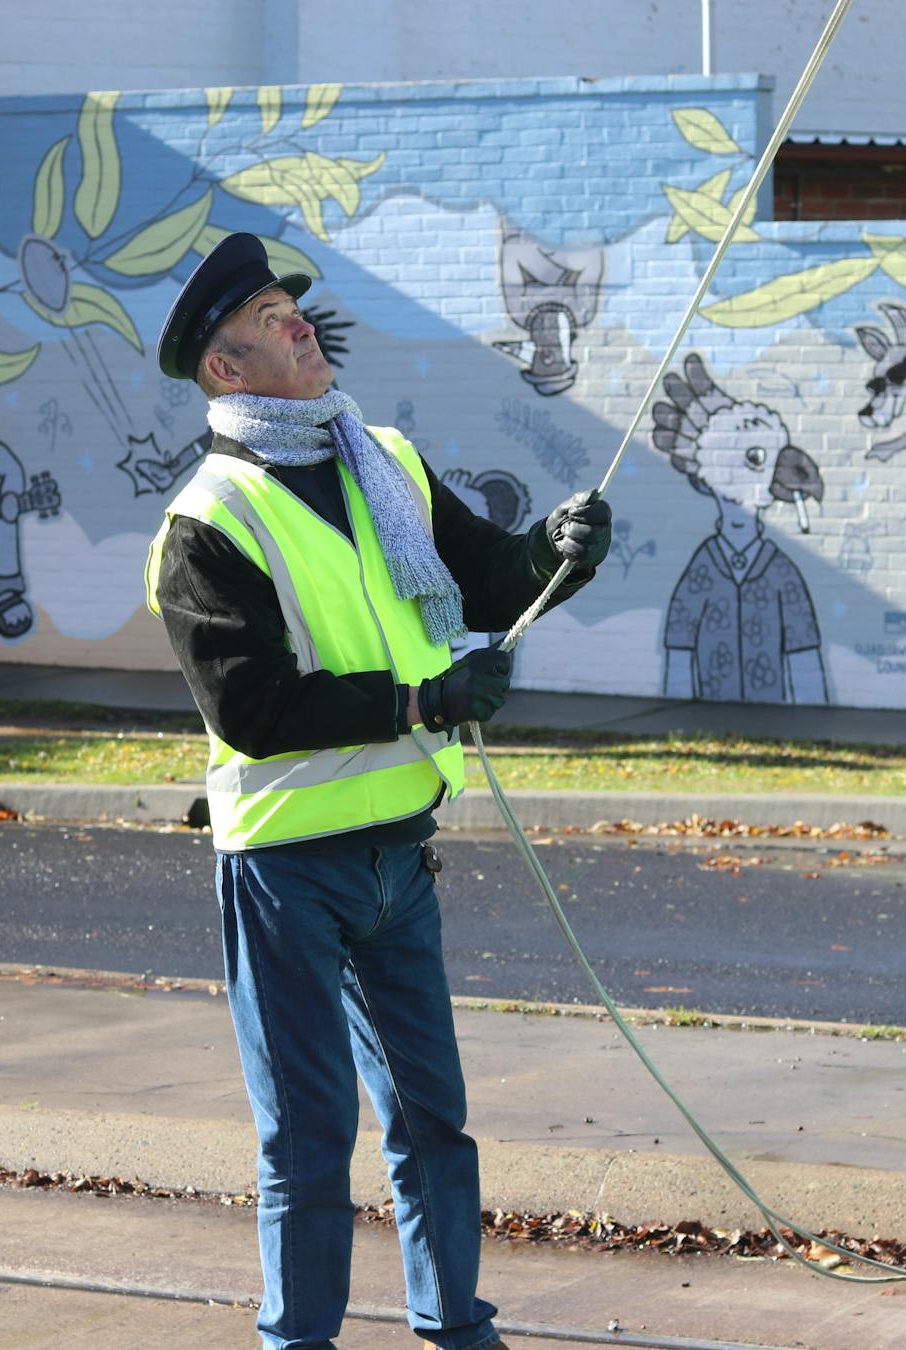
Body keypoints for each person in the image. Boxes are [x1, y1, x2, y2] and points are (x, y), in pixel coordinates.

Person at [144, 233, 611, 1350]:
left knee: (431, 1122)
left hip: (400, 854)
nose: (300, 320)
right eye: (268, 314)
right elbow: (251, 710)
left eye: (293, 306)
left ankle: (457, 1328)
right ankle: (297, 1340)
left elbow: (489, 575)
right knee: (310, 1135)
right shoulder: (207, 523)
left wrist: (561, 548)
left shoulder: (381, 456)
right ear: (226, 368)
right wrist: (420, 700)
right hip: (287, 871)